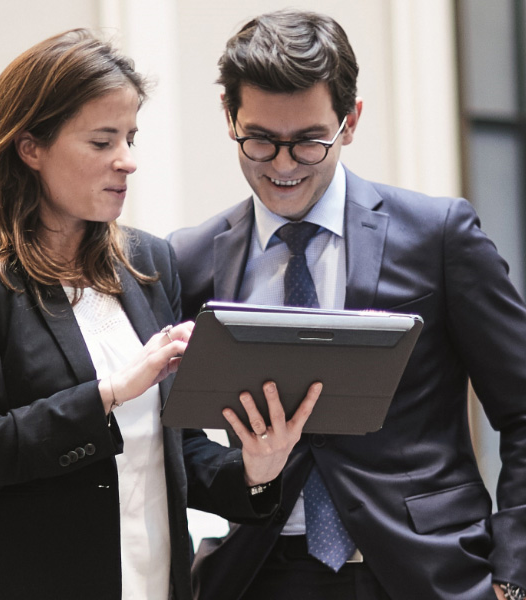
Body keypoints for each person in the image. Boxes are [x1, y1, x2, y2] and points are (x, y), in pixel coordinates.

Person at [0, 28, 321, 600]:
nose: (128, 162)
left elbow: (178, 451)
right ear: (30, 147)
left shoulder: (149, 261)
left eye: (130, 137)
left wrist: (255, 466)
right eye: (102, 142)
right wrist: (111, 392)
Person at [168, 9, 526, 600]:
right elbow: (176, 442)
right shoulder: (190, 258)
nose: (282, 166)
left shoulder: (438, 235)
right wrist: (247, 476)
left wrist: (512, 579)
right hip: (261, 575)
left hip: (428, 574)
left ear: (351, 121)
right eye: (259, 140)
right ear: (229, 118)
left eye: (308, 141)